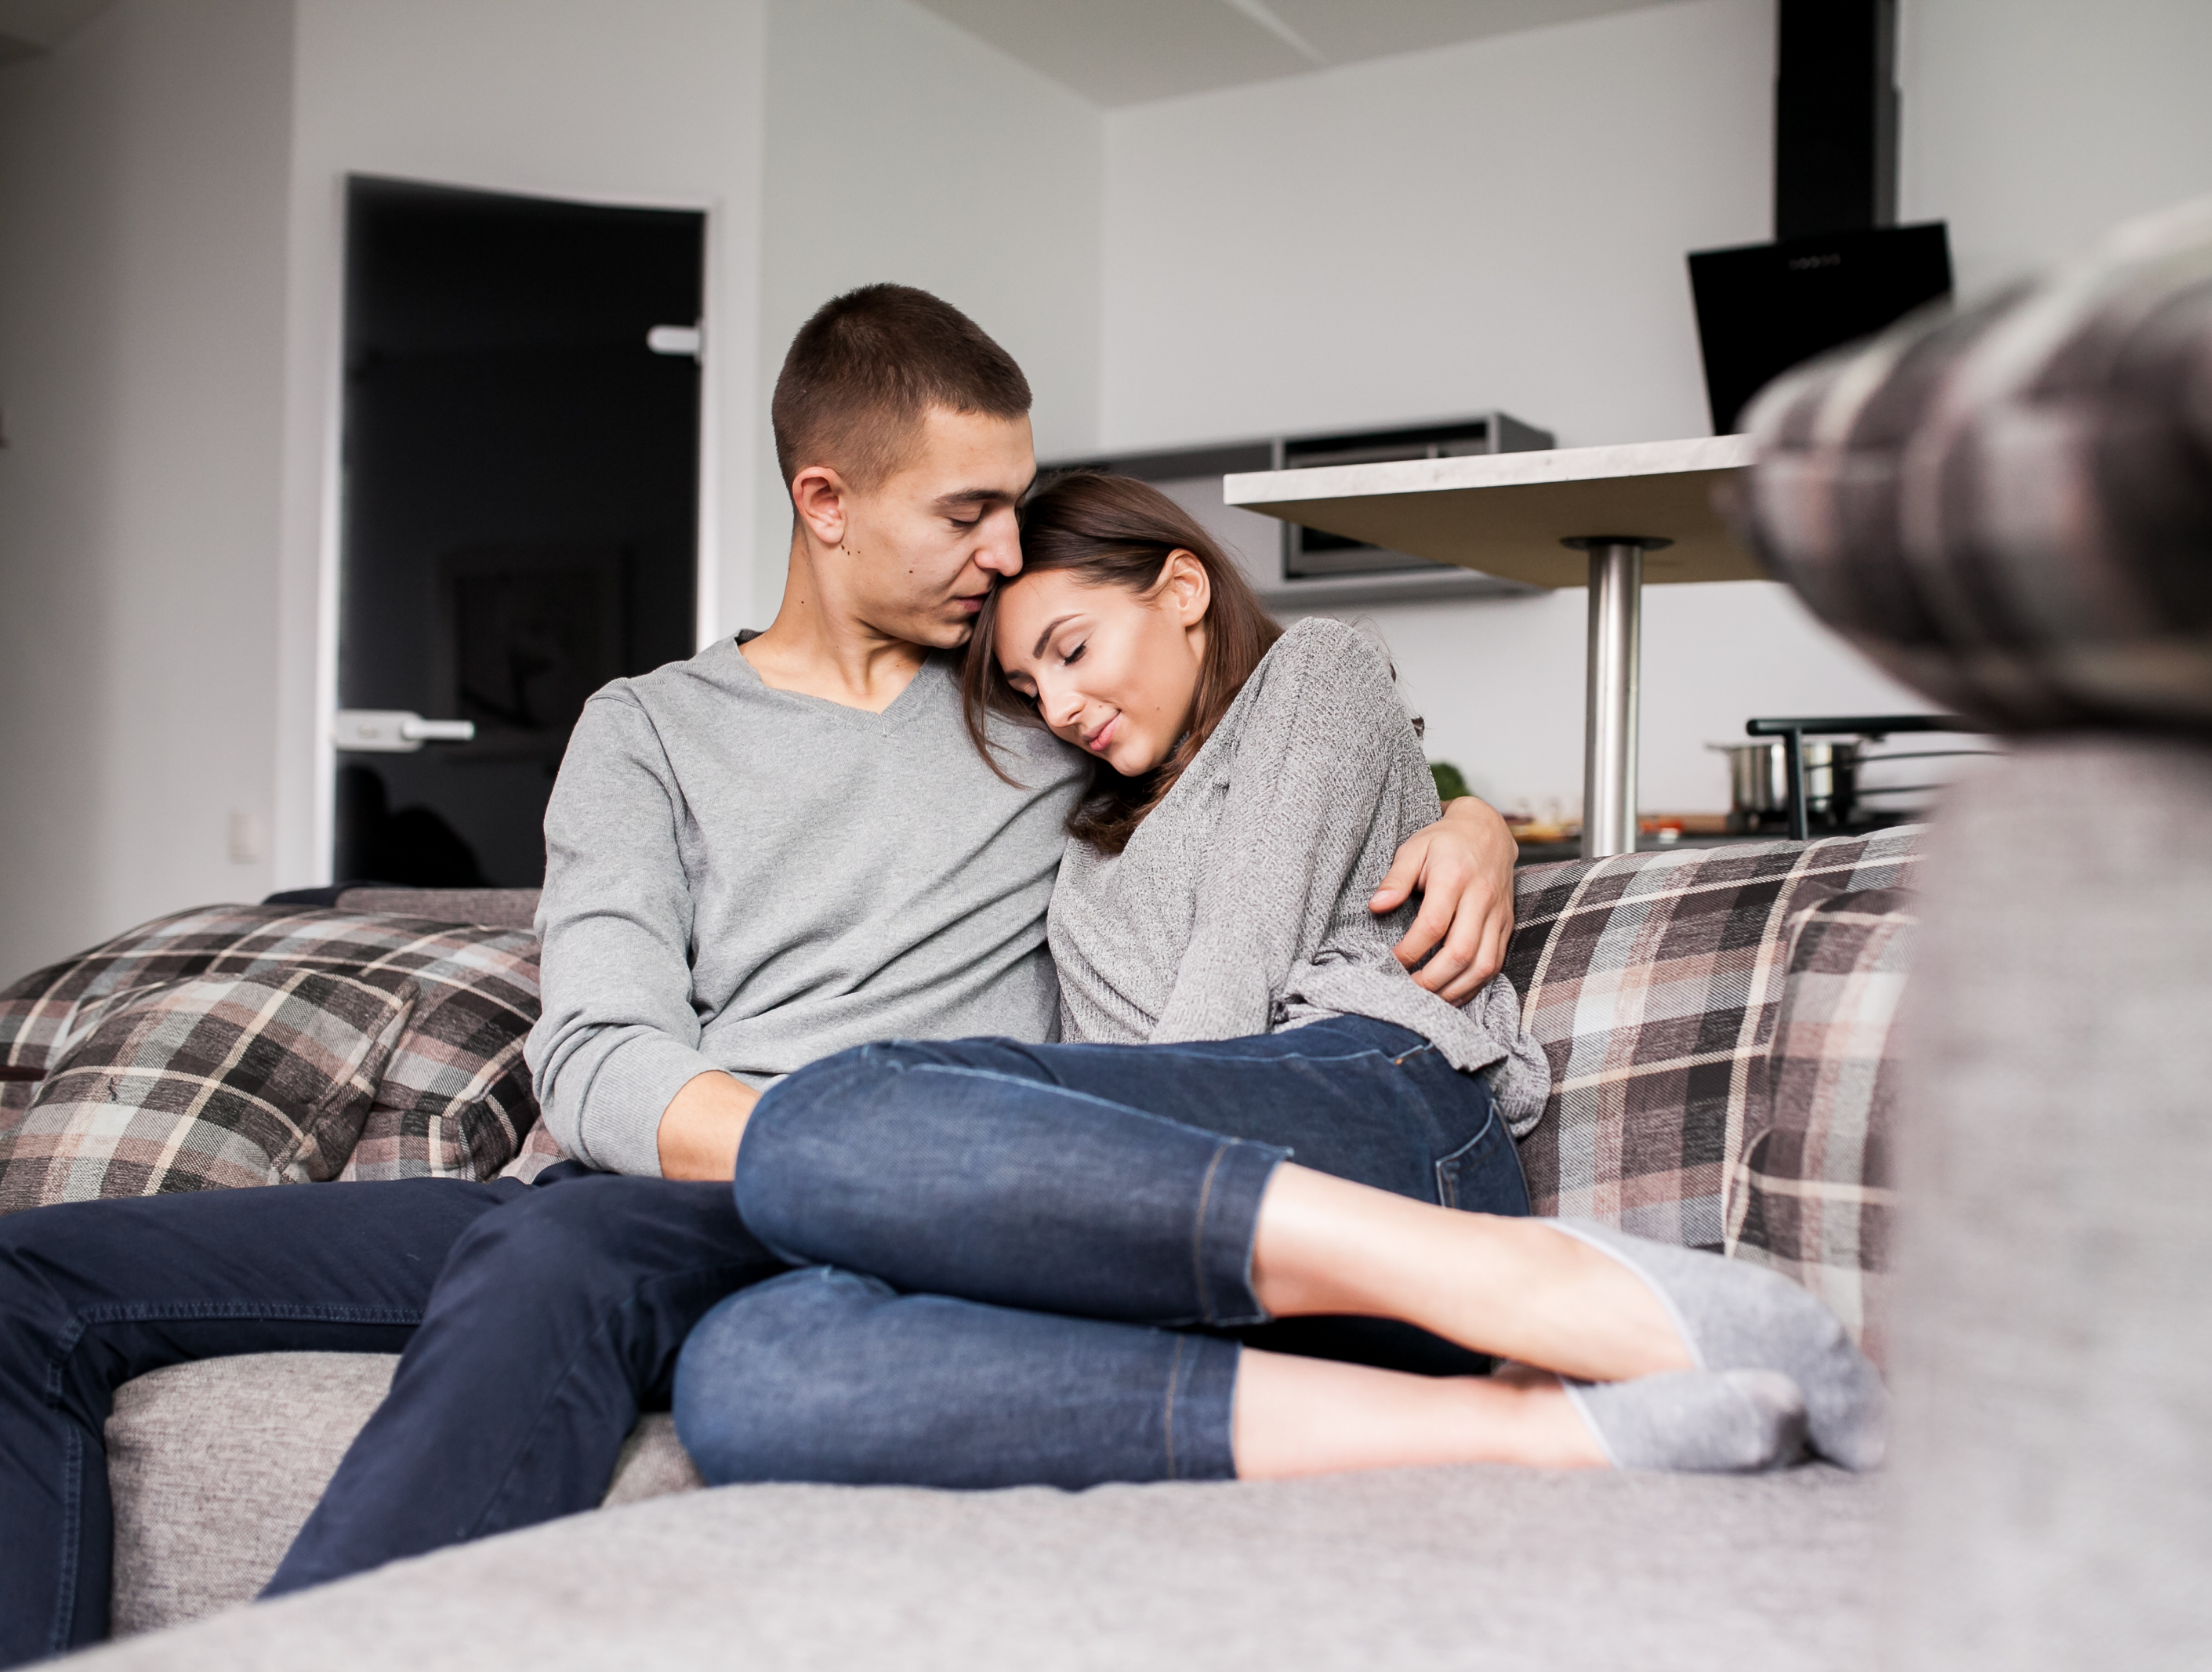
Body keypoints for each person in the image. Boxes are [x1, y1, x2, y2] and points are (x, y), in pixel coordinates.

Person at [0, 286, 1524, 1667]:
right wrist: (796, 1140)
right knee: (32, 1282)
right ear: (826, 501)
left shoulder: (1033, 709)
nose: (1010, 553)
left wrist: (1474, 822)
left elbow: (1272, 740)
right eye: (972, 511)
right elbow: (595, 1056)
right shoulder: (647, 730)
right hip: (649, 1171)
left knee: (559, 1258)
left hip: (896, 1197)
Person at [669, 472, 1887, 1490]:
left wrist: (1477, 822)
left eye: (1072, 649)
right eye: (1031, 690)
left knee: (816, 1125)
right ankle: (1532, 1425)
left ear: (1183, 590)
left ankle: (1542, 1280)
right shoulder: (1080, 840)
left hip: (1371, 1096)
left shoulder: (1313, 674)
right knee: (749, 1365)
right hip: (1202, 1234)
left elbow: (1222, 1007)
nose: (1063, 704)